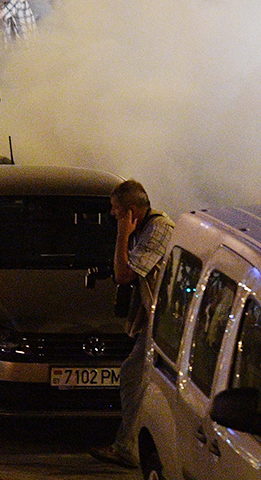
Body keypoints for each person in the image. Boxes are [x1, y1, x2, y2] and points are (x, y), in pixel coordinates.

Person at [90, 180, 175, 469]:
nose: (112, 215)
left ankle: (129, 447)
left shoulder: (158, 229)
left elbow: (124, 274)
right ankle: (131, 444)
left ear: (131, 212)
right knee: (135, 378)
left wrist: (122, 235)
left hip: (162, 323)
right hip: (152, 321)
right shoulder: (145, 229)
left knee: (132, 377)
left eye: (116, 210)